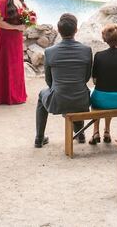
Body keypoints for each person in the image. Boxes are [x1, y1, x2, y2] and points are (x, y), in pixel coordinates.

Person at [34, 13, 92, 148]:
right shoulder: (86, 50)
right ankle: (80, 134)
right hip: (81, 100)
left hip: (58, 100)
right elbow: (86, 77)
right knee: (76, 89)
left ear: (59, 31)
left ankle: (39, 138)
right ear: (76, 30)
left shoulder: (50, 51)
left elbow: (49, 81)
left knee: (42, 95)